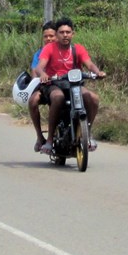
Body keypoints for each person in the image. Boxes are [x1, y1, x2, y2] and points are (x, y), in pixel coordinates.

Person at [34, 17, 105, 154]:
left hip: (74, 85)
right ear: (57, 34)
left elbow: (89, 64)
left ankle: (87, 134)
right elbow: (39, 67)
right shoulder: (49, 48)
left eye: (68, 32)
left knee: (93, 98)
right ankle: (49, 140)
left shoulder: (78, 49)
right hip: (54, 84)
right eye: (61, 32)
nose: (65, 35)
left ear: (73, 34)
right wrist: (43, 74)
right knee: (57, 97)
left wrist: (98, 72)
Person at [27, 22, 57, 152]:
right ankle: (40, 137)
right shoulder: (38, 54)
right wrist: (40, 78)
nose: (49, 39)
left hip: (60, 86)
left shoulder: (63, 50)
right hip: (44, 87)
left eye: (52, 36)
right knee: (33, 101)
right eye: (46, 36)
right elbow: (34, 73)